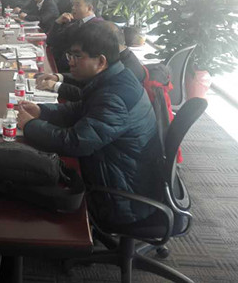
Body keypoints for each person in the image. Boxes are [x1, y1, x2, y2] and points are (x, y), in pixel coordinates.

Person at [17, 22, 161, 225]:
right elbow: (79, 110)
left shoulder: (114, 98)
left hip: (122, 198)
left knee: (24, 184)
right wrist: (42, 111)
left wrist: (30, 125)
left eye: (77, 56)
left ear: (101, 61)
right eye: (70, 55)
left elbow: (76, 142)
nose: (70, 63)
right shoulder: (117, 76)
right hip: (118, 172)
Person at [36, 21, 145, 101]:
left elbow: (86, 94)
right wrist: (59, 77)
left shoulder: (127, 70)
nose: (71, 62)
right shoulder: (115, 59)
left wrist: (55, 86)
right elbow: (88, 81)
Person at [46, 0, 102, 72]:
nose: (73, 8)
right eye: (73, 4)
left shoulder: (98, 27)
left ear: (89, 8)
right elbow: (51, 41)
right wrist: (57, 22)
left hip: (74, 72)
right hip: (60, 66)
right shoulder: (75, 23)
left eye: (77, 5)